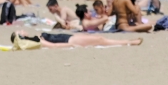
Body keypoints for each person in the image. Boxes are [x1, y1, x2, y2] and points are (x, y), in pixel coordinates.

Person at [11, 30, 141, 49]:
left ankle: (128, 41)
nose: (22, 31)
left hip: (68, 36)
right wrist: (71, 46)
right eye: (19, 33)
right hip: (69, 41)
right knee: (100, 39)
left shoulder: (35, 37)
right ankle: (129, 42)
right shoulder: (36, 41)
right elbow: (53, 46)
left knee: (96, 38)